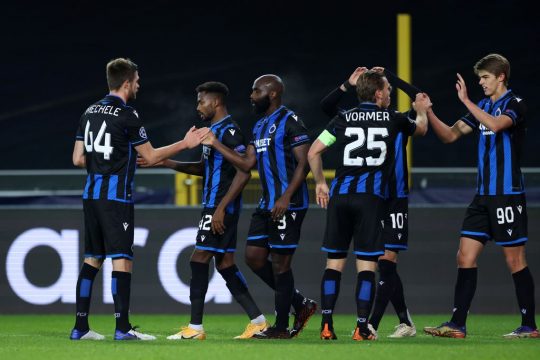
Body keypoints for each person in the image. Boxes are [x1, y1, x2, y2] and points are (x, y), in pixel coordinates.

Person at [70, 58, 208, 341]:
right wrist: (186, 143)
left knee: (92, 259)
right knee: (121, 259)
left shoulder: (88, 112)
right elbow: (151, 156)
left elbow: (77, 158)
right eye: (136, 80)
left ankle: (80, 327)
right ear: (126, 83)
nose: (138, 85)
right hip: (115, 198)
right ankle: (123, 329)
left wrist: (105, 161)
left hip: (91, 195)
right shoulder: (127, 115)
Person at [138, 81, 269, 340]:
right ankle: (258, 321)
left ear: (216, 102)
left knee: (198, 260)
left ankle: (195, 328)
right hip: (215, 206)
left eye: (201, 101)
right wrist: (166, 162)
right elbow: (203, 168)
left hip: (220, 207)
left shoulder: (229, 131)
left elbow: (245, 171)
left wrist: (220, 208)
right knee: (225, 265)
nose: (198, 106)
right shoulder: (213, 130)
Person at [308, 69, 429, 341]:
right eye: (387, 90)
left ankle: (326, 324)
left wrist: (319, 183)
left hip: (339, 198)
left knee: (333, 264)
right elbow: (421, 129)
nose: (389, 94)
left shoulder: (343, 118)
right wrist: (420, 110)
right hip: (370, 200)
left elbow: (314, 151)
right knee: (366, 266)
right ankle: (362, 327)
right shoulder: (393, 118)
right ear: (378, 93)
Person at [423, 54, 538, 338]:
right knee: (464, 256)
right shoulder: (483, 106)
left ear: (501, 77)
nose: (481, 83)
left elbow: (498, 125)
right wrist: (429, 112)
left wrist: (465, 102)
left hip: (507, 194)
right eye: (479, 78)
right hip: (482, 197)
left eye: (485, 77)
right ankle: (457, 324)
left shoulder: (515, 104)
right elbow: (450, 135)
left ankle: (529, 326)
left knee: (514, 260)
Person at [201, 74, 316, 339]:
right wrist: (215, 144)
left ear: (272, 93)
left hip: (289, 203)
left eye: (255, 91)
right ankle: (300, 304)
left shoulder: (291, 120)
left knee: (280, 264)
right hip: (266, 203)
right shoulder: (259, 125)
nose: (251, 96)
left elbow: (304, 163)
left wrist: (286, 196)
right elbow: (247, 162)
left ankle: (281, 326)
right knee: (253, 256)